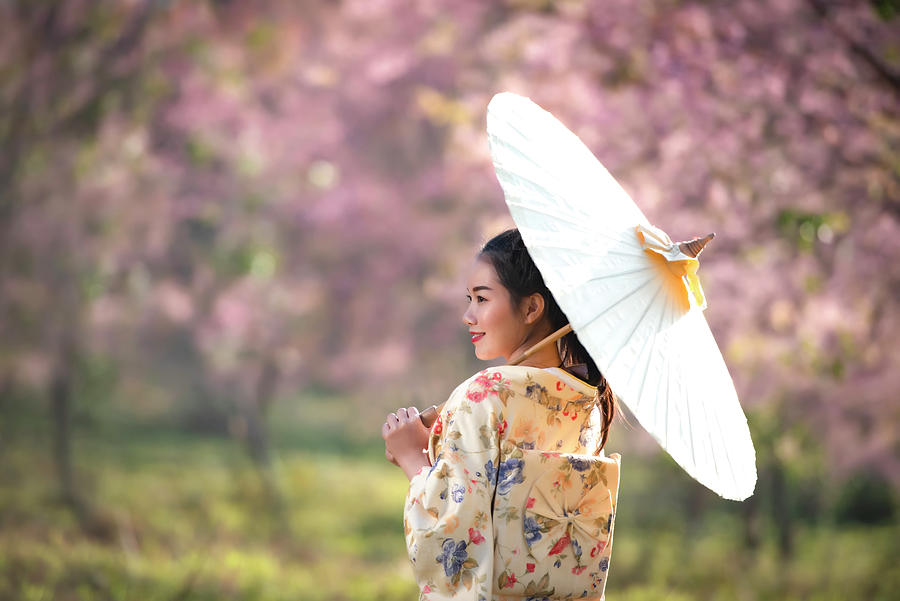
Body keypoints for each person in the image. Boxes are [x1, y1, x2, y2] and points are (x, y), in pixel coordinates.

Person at [382, 229, 620, 601]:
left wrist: (413, 458)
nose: (467, 315)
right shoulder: (586, 400)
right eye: (468, 299)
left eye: (481, 298)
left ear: (531, 308)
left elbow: (454, 531)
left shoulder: (485, 395)